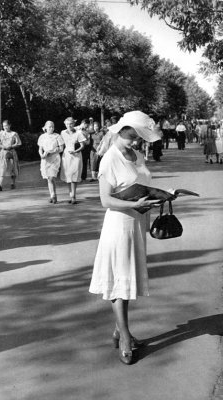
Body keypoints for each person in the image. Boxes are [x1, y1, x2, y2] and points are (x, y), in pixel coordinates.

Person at [89, 111, 173, 365]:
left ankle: (119, 330)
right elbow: (105, 200)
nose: (134, 142)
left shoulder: (136, 155)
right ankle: (125, 337)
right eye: (130, 137)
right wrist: (135, 203)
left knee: (128, 278)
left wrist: (161, 196)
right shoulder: (109, 160)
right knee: (119, 280)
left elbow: (142, 183)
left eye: (138, 138)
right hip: (119, 225)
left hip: (137, 222)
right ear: (119, 131)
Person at [60, 117, 86, 203]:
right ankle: (70, 195)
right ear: (65, 124)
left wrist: (75, 151)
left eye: (70, 124)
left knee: (74, 175)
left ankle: (74, 197)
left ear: (73, 124)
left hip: (76, 156)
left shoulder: (78, 133)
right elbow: (61, 144)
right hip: (66, 155)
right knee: (68, 175)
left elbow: (82, 146)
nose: (69, 126)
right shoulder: (63, 132)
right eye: (67, 124)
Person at [38, 121, 64, 203]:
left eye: (52, 126)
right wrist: (41, 155)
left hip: (54, 158)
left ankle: (54, 195)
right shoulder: (42, 137)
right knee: (48, 178)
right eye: (49, 127)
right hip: (45, 159)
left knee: (51, 177)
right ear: (45, 127)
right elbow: (40, 149)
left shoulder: (57, 136)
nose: (51, 128)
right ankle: (52, 195)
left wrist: (53, 151)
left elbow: (61, 148)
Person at [0, 120, 21, 191]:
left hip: (11, 152)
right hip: (3, 153)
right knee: (2, 167)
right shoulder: (1, 133)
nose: (5, 127)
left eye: (6, 126)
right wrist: (0, 146)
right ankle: (0, 184)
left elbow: (18, 143)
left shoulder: (14, 134)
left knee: (12, 167)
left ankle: (13, 183)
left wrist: (11, 146)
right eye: (3, 126)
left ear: (9, 125)